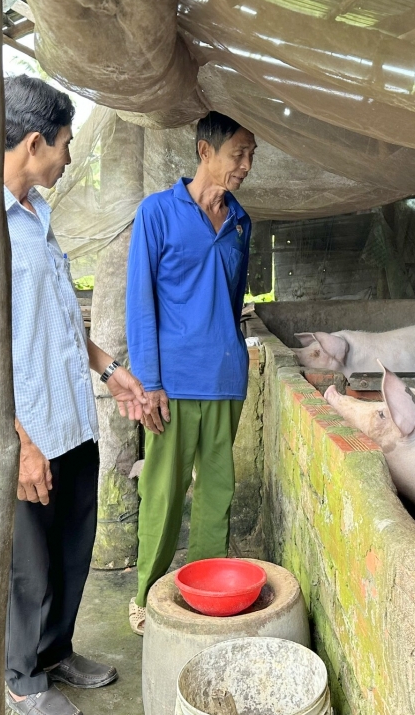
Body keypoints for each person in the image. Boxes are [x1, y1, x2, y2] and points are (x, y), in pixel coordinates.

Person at [1, 75, 149, 715]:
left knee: (70, 549)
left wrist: (109, 369)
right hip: (29, 428)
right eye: (64, 143)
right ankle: (20, 677)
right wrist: (19, 443)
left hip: (72, 418)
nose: (68, 157)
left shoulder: (37, 214)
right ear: (35, 142)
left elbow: (59, 319)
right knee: (28, 566)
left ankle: (56, 650)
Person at [125, 111, 256, 633]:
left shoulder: (241, 222)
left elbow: (233, 298)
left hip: (226, 377)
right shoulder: (157, 212)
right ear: (205, 151)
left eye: (251, 156)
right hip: (172, 382)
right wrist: (149, 382)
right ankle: (145, 596)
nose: (246, 165)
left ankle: (205, 597)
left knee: (217, 494)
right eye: (238, 154)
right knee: (163, 492)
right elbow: (140, 302)